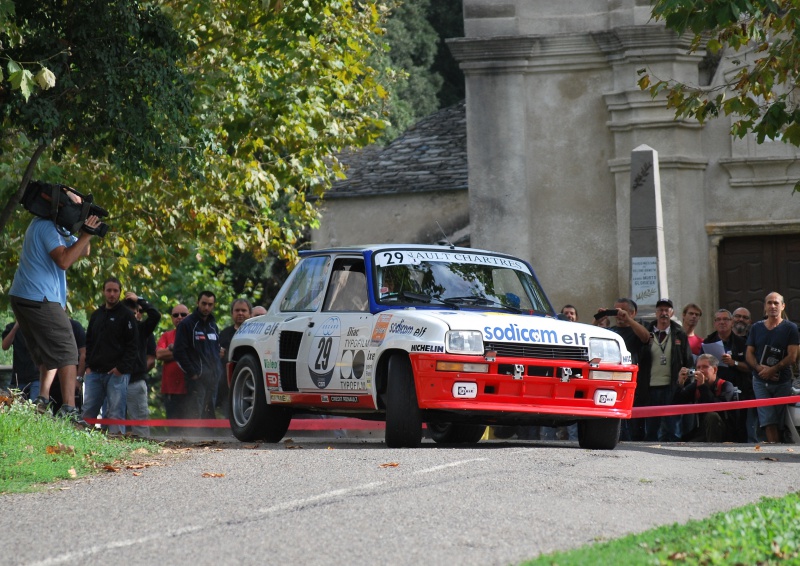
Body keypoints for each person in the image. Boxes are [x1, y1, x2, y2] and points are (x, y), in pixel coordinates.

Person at [8, 190, 101, 424]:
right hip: (40, 297)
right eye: (77, 207)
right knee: (68, 351)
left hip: (24, 296)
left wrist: (84, 231)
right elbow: (65, 261)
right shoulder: (48, 227)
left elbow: (84, 250)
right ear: (62, 205)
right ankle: (69, 409)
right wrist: (86, 234)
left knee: (48, 355)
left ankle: (42, 400)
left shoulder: (56, 227)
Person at [82, 277, 139, 436]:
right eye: (109, 290)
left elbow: (133, 345)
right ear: (103, 292)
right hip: (94, 372)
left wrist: (121, 368)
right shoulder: (96, 315)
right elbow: (89, 341)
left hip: (117, 374)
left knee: (115, 412)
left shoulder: (127, 315)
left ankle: (116, 442)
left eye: (115, 291)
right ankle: (83, 443)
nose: (112, 294)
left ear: (120, 293)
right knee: (88, 411)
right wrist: (88, 366)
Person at [745, 292, 800, 443]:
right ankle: (774, 450)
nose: (772, 306)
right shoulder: (756, 328)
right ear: (764, 307)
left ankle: (779, 448)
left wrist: (773, 369)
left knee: (779, 421)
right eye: (769, 303)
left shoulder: (791, 328)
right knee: (768, 418)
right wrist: (759, 368)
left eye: (776, 303)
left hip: (782, 381)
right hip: (760, 380)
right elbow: (749, 353)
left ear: (783, 306)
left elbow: (792, 356)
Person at [594, 298, 650, 440]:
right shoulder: (611, 331)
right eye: (616, 310)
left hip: (630, 382)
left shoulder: (636, 330)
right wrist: (597, 319)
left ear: (632, 312)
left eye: (622, 311)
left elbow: (646, 337)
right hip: (610, 380)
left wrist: (629, 320)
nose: (618, 314)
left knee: (631, 423)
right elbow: (591, 337)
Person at [637, 298, 693, 442]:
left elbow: (688, 360)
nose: (663, 313)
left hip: (671, 387)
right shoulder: (646, 333)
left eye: (667, 310)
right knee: (651, 429)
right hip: (650, 387)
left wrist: (684, 383)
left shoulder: (679, 334)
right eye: (660, 310)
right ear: (656, 313)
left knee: (672, 428)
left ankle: (673, 456)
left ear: (672, 312)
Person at [701, 309, 753, 442]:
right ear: (714, 323)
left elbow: (751, 367)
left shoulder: (743, 343)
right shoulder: (707, 342)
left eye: (725, 319)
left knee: (740, 429)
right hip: (716, 391)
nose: (722, 322)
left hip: (740, 391)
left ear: (731, 323)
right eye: (718, 319)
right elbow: (700, 365)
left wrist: (733, 362)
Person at [173, 290, 224, 420]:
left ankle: (209, 439)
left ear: (214, 305)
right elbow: (178, 352)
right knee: (195, 415)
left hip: (213, 379)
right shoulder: (186, 324)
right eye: (204, 303)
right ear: (197, 303)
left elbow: (216, 350)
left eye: (210, 304)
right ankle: (192, 439)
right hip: (197, 380)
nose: (207, 307)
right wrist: (193, 374)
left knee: (210, 415)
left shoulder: (213, 325)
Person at [123, 291, 161, 438]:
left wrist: (140, 300)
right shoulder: (114, 329)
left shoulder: (142, 329)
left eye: (137, 312)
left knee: (140, 424)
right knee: (113, 421)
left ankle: (143, 452)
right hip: (114, 382)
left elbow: (155, 316)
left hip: (135, 381)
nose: (134, 315)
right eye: (130, 313)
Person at [675, 354, 737, 442]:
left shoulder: (726, 385)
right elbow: (676, 403)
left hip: (724, 432)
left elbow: (717, 407)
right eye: (698, 367)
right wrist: (680, 384)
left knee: (711, 415)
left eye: (705, 367)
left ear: (715, 369)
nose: (701, 371)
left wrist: (703, 386)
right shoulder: (696, 386)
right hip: (702, 432)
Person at [218, 298, 252, 416]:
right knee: (228, 415)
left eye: (244, 310)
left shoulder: (255, 333)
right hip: (228, 385)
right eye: (237, 310)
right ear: (232, 313)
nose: (240, 313)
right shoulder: (224, 333)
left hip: (251, 383)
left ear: (250, 313)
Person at [157, 304, 191, 421]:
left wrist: (173, 351)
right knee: (173, 428)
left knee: (190, 426)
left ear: (189, 316)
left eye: (183, 315)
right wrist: (183, 352)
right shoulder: (166, 336)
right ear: (171, 318)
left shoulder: (193, 334)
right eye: (176, 315)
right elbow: (159, 354)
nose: (179, 317)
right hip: (171, 390)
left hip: (191, 389)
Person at [2, 321, 39, 399]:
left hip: (36, 376)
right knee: (14, 404)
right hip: (18, 378)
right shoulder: (11, 327)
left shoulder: (37, 325)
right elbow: (5, 346)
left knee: (36, 406)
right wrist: (15, 328)